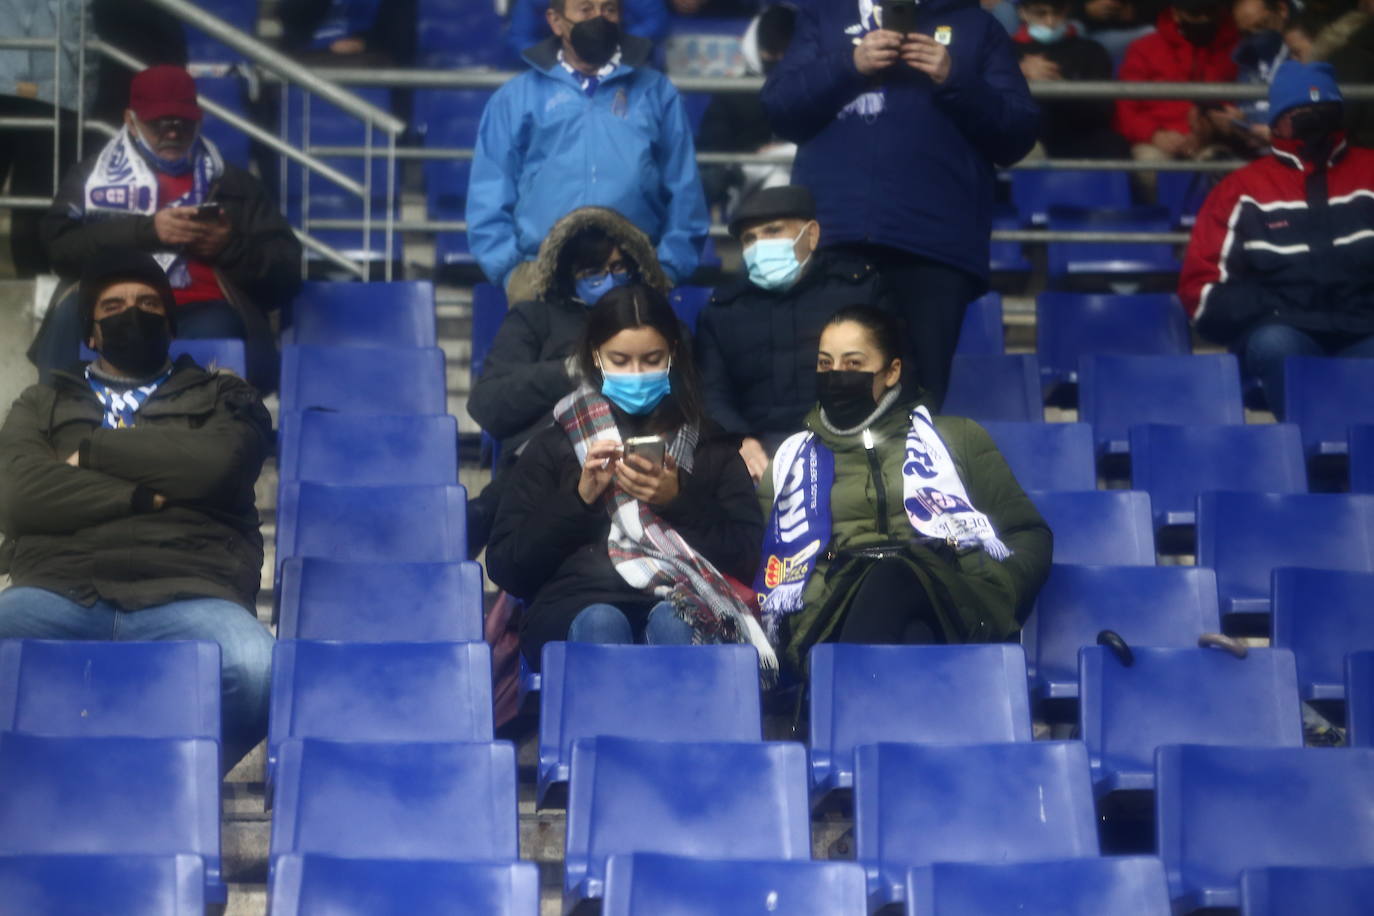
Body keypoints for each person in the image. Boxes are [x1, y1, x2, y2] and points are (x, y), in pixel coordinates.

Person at [0, 248, 275, 773]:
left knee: (258, 669)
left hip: (189, 588)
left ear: (171, 324)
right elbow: (17, 493)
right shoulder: (42, 403)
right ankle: (29, 785)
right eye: (115, 305)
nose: (134, 312)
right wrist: (141, 495)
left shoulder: (224, 394)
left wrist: (97, 454)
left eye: (149, 303)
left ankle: (166, 783)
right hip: (61, 589)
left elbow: (217, 467)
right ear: (91, 333)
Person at [761, 0, 1039, 411]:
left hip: (935, 249)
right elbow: (778, 108)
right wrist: (849, 64)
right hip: (834, 240)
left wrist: (955, 76)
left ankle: (908, 477)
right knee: (827, 396)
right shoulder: (825, 15)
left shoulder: (976, 26)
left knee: (918, 402)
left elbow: (1017, 134)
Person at [486, 284, 774, 678]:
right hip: (577, 600)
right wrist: (580, 499)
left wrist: (678, 501)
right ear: (595, 357)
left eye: (651, 359)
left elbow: (748, 554)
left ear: (672, 353)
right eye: (620, 360)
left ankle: (675, 740)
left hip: (685, 597)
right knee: (601, 623)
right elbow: (507, 566)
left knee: (675, 623)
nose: (636, 374)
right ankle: (597, 742)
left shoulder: (709, 445)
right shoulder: (556, 443)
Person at [755, 305, 1052, 677]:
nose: (836, 376)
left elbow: (1029, 534)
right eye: (825, 364)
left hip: (951, 599)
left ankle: (839, 715)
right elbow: (771, 564)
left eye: (852, 364)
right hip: (832, 618)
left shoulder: (956, 437)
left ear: (892, 371)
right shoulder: (792, 460)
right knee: (907, 626)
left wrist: (998, 586)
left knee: (894, 575)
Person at [34, 65, 300, 392]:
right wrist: (148, 231)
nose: (172, 133)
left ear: (198, 121)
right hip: (111, 302)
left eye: (183, 123)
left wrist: (228, 247)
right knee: (70, 318)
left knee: (216, 327)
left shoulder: (234, 184)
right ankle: (55, 421)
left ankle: (194, 430)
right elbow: (58, 249)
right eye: (158, 124)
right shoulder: (92, 177)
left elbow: (286, 274)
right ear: (130, 121)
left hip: (200, 311)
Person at [468, 0, 709, 304]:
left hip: (635, 276)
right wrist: (511, 272)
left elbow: (685, 191)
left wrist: (667, 269)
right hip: (543, 278)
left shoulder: (656, 92)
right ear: (556, 22)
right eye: (585, 9)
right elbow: (489, 194)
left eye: (608, 9)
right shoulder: (515, 98)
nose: (599, 18)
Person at [1178, 61, 1374, 416]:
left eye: (1325, 109)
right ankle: (1307, 454)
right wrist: (1272, 306)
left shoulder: (1370, 173)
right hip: (1285, 329)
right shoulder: (1242, 190)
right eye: (1301, 112)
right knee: (1277, 344)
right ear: (1277, 121)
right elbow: (1201, 292)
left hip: (1365, 326)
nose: (1314, 120)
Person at [695, 186, 887, 482]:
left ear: (811, 235)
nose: (760, 245)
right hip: (756, 455)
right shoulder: (722, 310)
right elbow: (712, 393)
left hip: (849, 448)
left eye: (773, 231)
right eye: (750, 239)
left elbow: (893, 376)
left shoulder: (861, 290)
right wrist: (739, 441)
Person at [0, 0, 85, 278]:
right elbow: (79, 29)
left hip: (45, 92)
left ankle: (33, 285)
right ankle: (34, 283)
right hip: (52, 92)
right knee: (35, 204)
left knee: (37, 203)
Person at [1116, 0, 1245, 179]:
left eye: (1210, 11)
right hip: (1155, 143)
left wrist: (1209, 127)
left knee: (1226, 167)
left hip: (1213, 142)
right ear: (1176, 13)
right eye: (1195, 14)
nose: (1204, 19)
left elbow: (1241, 103)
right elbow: (1125, 108)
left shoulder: (1238, 49)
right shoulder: (1143, 49)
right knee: (1150, 164)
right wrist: (1154, 135)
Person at [696, 3, 797, 216]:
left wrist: (781, 152)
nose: (779, 61)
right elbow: (716, 153)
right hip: (744, 186)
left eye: (785, 53)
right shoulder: (733, 94)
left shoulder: (815, 90)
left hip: (801, 182)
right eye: (772, 52)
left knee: (783, 175)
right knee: (780, 178)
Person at [1014, 0, 1130, 159]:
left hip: (1080, 136)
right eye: (1041, 13)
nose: (1050, 21)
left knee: (1114, 147)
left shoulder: (1092, 51)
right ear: (1023, 13)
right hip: (1027, 137)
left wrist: (1061, 87)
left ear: (1067, 11)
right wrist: (1019, 71)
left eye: (1057, 13)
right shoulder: (1007, 51)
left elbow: (1102, 112)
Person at [506, 0, 669, 62]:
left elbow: (656, 19)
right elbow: (519, 40)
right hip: (557, 69)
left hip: (618, 65)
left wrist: (615, 45)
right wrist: (560, 59)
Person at [1232, 0, 1293, 137]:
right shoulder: (1247, 58)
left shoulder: (1301, 54)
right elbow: (1244, 108)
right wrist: (1237, 119)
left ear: (1282, 10)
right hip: (1252, 149)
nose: (1256, 35)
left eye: (1261, 25)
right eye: (1246, 33)